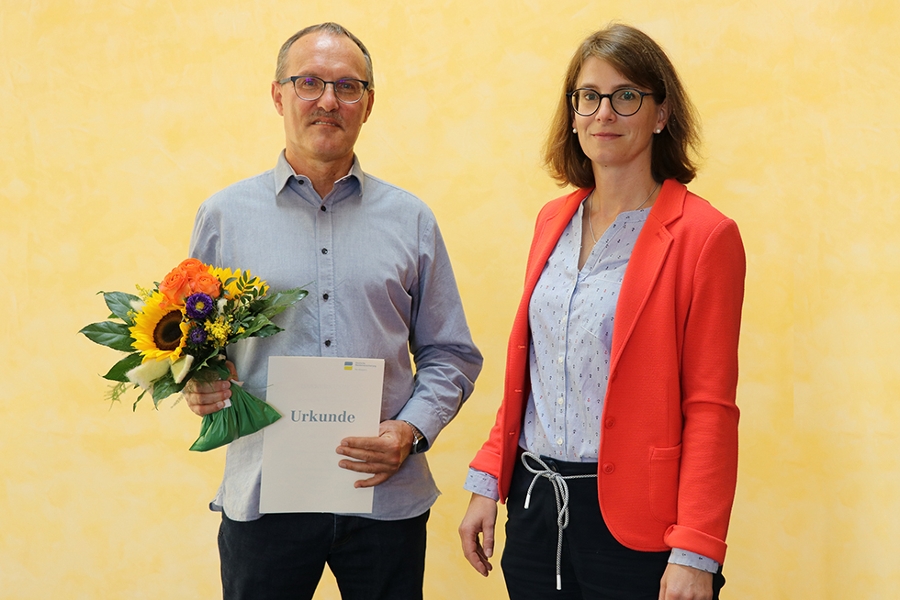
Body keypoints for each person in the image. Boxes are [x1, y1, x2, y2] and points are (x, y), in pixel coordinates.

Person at [183, 22, 483, 600]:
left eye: (348, 86)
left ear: (368, 104)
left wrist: (411, 430)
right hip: (265, 495)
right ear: (278, 95)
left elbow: (452, 354)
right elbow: (194, 347)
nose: (328, 100)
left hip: (385, 497)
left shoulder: (412, 220)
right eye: (309, 82)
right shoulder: (223, 216)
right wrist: (201, 383)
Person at [458, 23, 745, 600]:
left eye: (626, 96)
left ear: (660, 114)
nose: (603, 113)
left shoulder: (705, 236)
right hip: (536, 511)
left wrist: (696, 550)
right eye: (589, 96)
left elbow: (711, 407)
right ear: (572, 112)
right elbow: (532, 374)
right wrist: (487, 481)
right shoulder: (551, 221)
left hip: (642, 529)